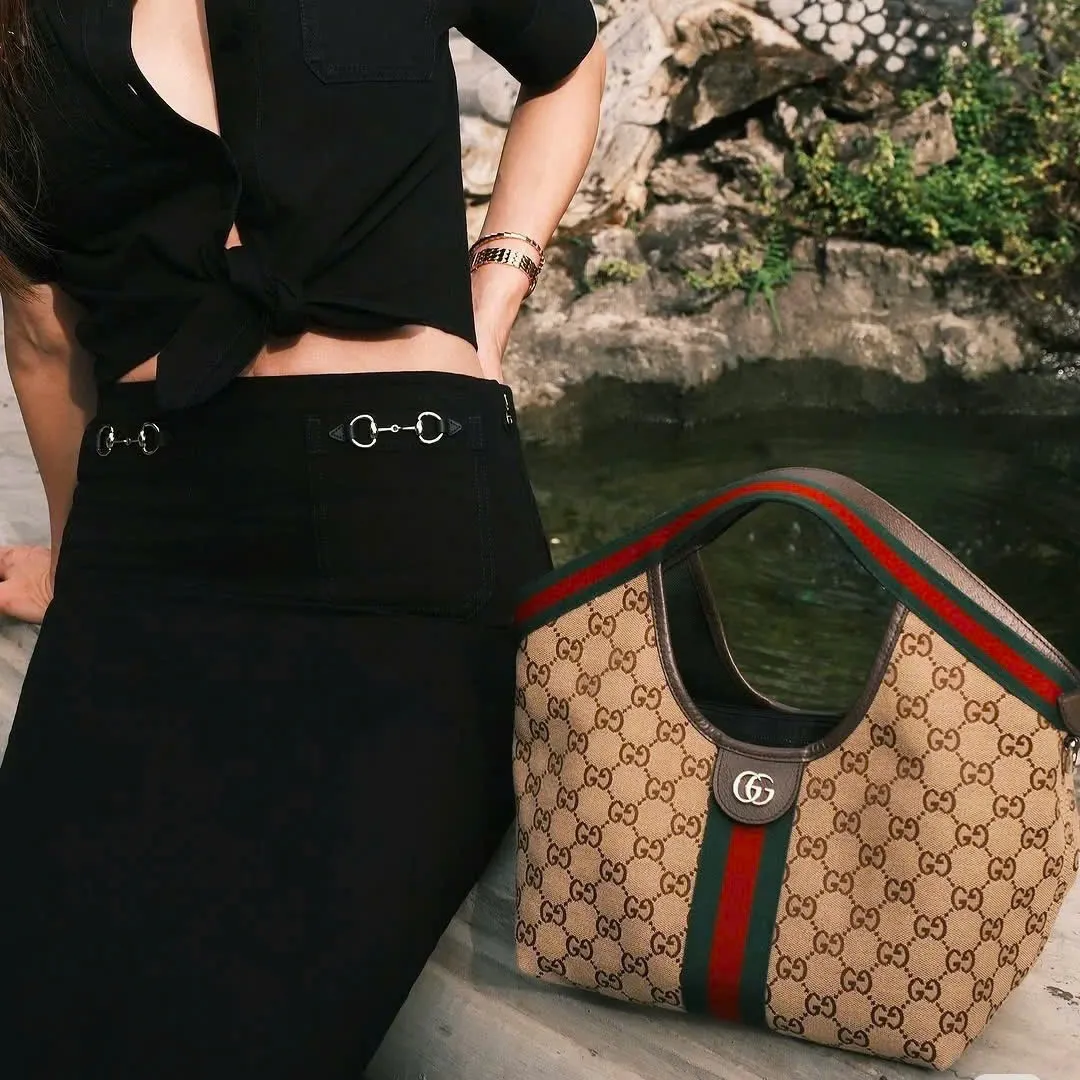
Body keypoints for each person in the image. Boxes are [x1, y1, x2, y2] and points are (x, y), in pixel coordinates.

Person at [0, 1, 605, 1075]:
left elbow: (567, 60)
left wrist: (493, 292)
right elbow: (39, 325)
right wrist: (78, 567)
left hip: (354, 528)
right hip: (228, 530)